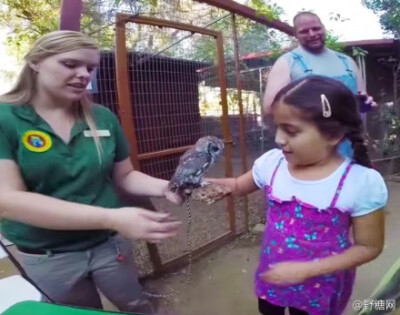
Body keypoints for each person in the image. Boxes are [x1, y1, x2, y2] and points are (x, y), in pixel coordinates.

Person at [0, 30, 183, 313]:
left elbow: (125, 176)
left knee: (135, 303)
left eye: (90, 67)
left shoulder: (102, 117)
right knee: (82, 311)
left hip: (109, 245)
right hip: (49, 255)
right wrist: (112, 217)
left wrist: (165, 187)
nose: (84, 74)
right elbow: (8, 201)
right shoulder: (6, 118)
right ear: (35, 62)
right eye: (71, 64)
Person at [209, 76, 388, 315]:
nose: (278, 139)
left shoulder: (360, 182)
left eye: (291, 131)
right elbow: (237, 185)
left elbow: (369, 247)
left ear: (332, 135)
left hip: (320, 286)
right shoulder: (272, 164)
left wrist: (305, 270)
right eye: (278, 127)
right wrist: (207, 185)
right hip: (274, 274)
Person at [263, 11, 376, 158]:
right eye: (304, 31)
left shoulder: (347, 62)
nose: (312, 34)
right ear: (295, 34)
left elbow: (360, 99)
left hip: (349, 143)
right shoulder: (288, 62)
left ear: (323, 28)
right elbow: (270, 108)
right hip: (309, 146)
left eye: (316, 28)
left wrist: (365, 103)